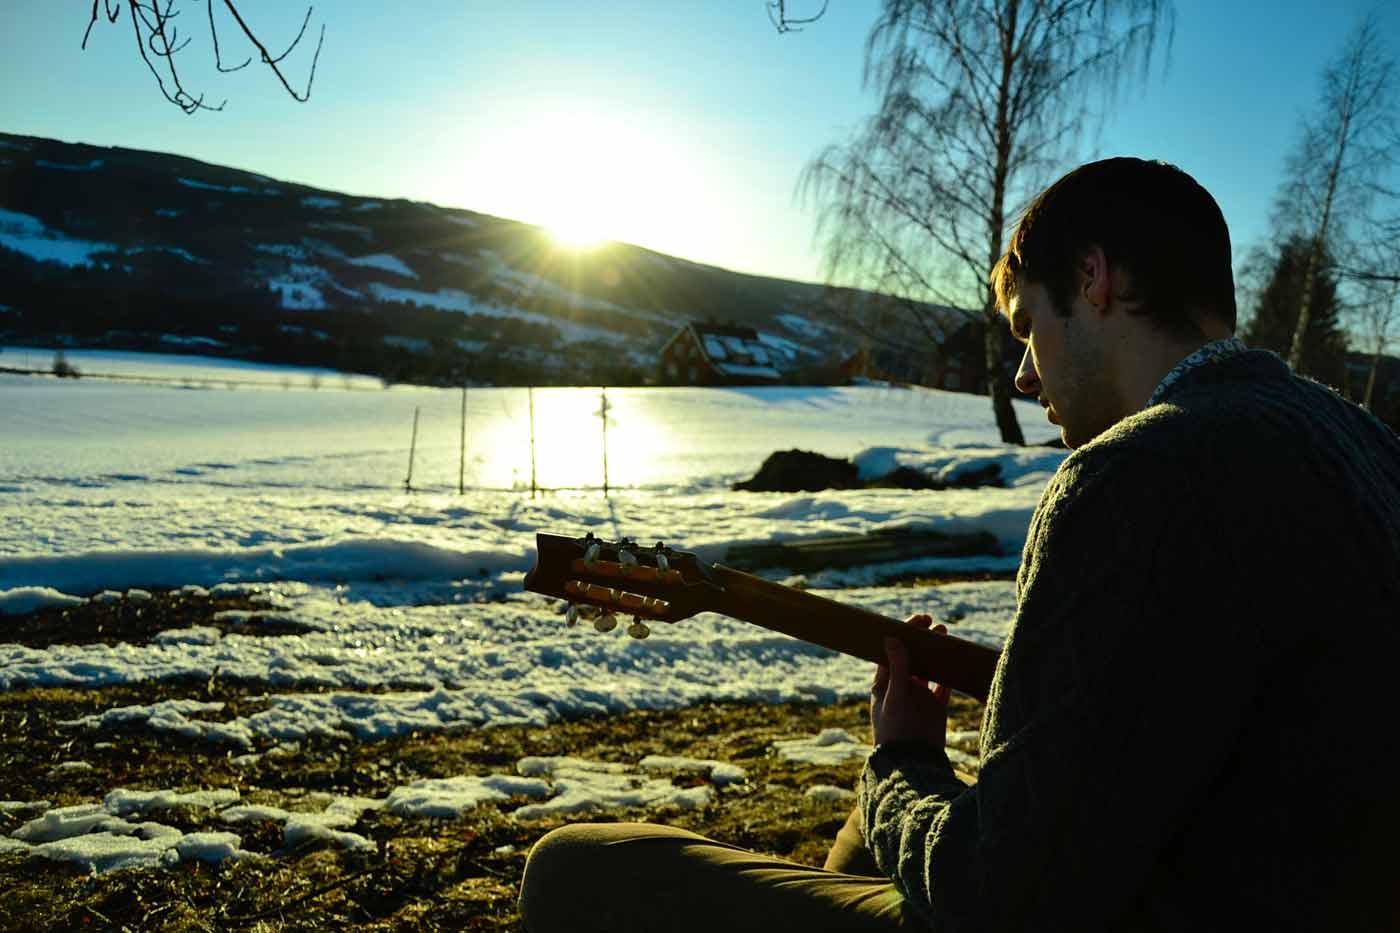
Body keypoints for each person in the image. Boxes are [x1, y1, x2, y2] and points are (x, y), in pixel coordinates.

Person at [517, 158, 1400, 932]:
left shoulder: (1135, 471)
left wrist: (903, 760)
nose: (1024, 372)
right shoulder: (1366, 445)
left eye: (1027, 324)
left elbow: (1001, 896)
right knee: (871, 819)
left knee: (575, 865)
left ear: (1092, 278)